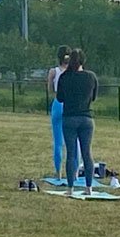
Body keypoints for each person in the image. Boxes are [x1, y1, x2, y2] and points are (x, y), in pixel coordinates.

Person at [55, 48, 98, 193]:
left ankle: (70, 187)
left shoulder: (64, 77)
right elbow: (93, 97)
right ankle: (89, 187)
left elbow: (60, 98)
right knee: (87, 153)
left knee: (71, 154)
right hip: (86, 118)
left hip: (69, 118)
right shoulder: (91, 77)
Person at [46, 51, 69, 180]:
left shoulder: (54, 71)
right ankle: (75, 173)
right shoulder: (73, 72)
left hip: (58, 103)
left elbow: (49, 88)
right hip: (70, 105)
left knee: (58, 141)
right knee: (74, 141)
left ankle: (58, 173)